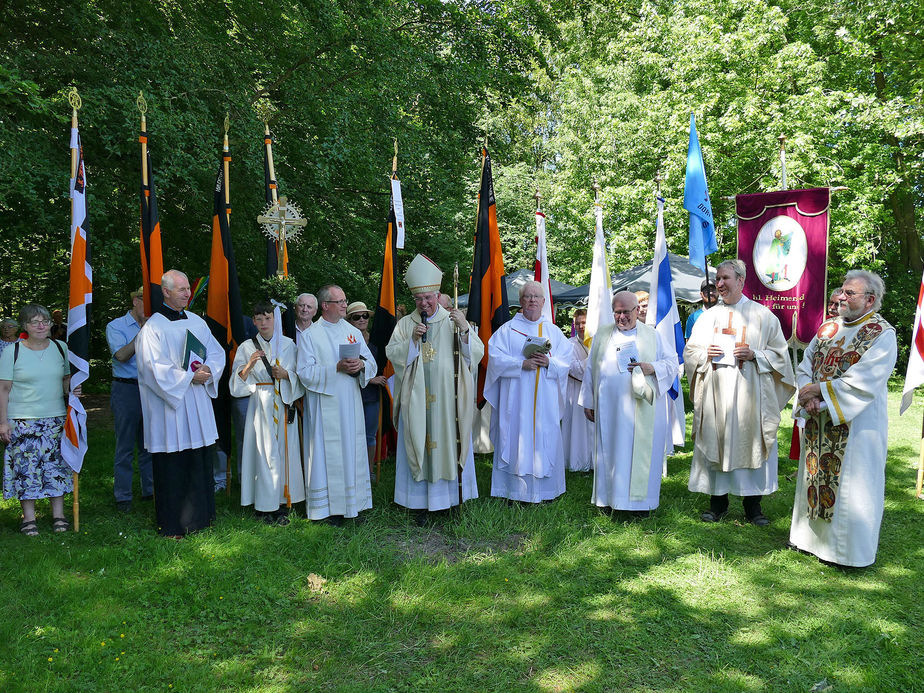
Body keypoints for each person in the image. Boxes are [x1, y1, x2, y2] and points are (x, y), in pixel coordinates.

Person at [789, 271, 896, 567]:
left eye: (850, 294)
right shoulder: (828, 329)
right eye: (842, 291)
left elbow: (864, 381)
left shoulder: (881, 334)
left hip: (856, 425)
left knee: (852, 485)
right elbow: (806, 364)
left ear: (870, 300)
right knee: (814, 476)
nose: (841, 297)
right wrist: (807, 394)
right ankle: (808, 541)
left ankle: (845, 554)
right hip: (818, 421)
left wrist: (819, 393)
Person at [684, 259, 795, 525]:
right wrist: (703, 355)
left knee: (751, 444)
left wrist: (754, 354)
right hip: (716, 395)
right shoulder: (707, 317)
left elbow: (781, 356)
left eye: (725, 279)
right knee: (716, 440)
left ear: (741, 280)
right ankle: (717, 504)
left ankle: (753, 507)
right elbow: (690, 352)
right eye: (717, 280)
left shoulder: (762, 315)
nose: (719, 284)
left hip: (750, 395)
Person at [386, 255, 484, 519]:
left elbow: (475, 353)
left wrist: (464, 331)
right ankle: (418, 505)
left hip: (446, 401)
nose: (424, 303)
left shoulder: (453, 320)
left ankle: (448, 502)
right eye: (419, 300)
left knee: (446, 446)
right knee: (418, 441)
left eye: (428, 298)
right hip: (416, 399)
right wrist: (412, 343)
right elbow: (392, 353)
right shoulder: (406, 324)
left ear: (438, 295)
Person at [136, 270, 226, 538]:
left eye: (188, 288)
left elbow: (216, 352)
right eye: (181, 289)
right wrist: (189, 378)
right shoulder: (154, 328)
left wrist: (208, 370)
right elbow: (152, 369)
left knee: (198, 459)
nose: (188, 293)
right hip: (170, 409)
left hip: (197, 403)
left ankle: (201, 518)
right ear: (165, 291)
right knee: (172, 464)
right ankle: (173, 524)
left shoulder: (197, 321)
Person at [580, 292, 678, 518]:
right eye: (617, 312)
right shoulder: (602, 335)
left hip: (641, 408)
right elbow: (590, 370)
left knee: (638, 454)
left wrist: (651, 368)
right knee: (610, 452)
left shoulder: (652, 335)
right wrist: (588, 401)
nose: (622, 317)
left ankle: (640, 505)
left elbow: (672, 363)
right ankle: (608, 500)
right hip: (608, 408)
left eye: (626, 312)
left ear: (637, 311)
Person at [485, 280, 571, 503]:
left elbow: (566, 361)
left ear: (543, 302)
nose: (532, 300)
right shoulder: (507, 330)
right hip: (516, 401)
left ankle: (545, 492)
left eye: (536, 296)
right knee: (514, 438)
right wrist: (519, 364)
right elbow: (494, 358)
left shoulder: (553, 331)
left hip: (545, 401)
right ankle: (512, 492)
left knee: (545, 437)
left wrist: (549, 362)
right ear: (520, 302)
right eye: (527, 296)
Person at [296, 284, 375, 523]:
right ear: (325, 306)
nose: (344, 305)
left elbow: (371, 363)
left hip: (349, 402)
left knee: (352, 450)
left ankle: (353, 505)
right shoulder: (311, 335)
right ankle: (326, 510)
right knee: (324, 452)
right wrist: (336, 368)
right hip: (324, 404)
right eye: (339, 301)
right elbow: (305, 372)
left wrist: (360, 366)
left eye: (344, 300)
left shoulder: (352, 331)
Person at [230, 301, 305, 525]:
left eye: (268, 317)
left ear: (276, 319)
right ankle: (263, 506)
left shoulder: (289, 345)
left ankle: (282, 503)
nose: (263, 323)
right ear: (253, 321)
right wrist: (249, 366)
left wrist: (286, 375)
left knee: (283, 452)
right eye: (259, 318)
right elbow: (236, 383)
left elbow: (299, 377)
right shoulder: (246, 347)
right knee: (262, 453)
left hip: (282, 402)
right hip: (260, 402)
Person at [0, 304, 72, 535]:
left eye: (45, 321)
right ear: (25, 326)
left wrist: (74, 390)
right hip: (22, 419)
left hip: (55, 418)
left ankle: (59, 515)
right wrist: (3, 422)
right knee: (26, 469)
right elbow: (3, 389)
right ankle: (28, 518)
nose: (41, 326)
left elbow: (66, 381)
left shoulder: (61, 348)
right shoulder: (13, 351)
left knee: (55, 467)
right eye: (34, 322)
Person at [106, 287, 153, 512]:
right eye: (147, 301)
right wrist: (142, 333)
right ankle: (123, 496)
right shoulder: (116, 326)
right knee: (124, 445)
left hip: (151, 390)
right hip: (126, 389)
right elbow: (122, 356)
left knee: (150, 444)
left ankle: (150, 491)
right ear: (136, 301)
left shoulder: (157, 325)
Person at [347, 300, 388, 479]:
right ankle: (354, 472)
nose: (362, 319)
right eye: (357, 317)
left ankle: (369, 471)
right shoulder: (345, 341)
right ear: (350, 321)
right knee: (352, 435)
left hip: (371, 396)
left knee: (370, 435)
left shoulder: (376, 340)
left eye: (365, 316)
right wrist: (371, 379)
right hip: (352, 394)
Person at [562, 308, 593, 472]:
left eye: (584, 322)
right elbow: (571, 368)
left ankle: (595, 462)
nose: (581, 326)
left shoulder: (597, 342)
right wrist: (591, 360)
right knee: (578, 427)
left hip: (595, 392)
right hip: (576, 391)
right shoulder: (569, 344)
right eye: (578, 323)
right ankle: (578, 462)